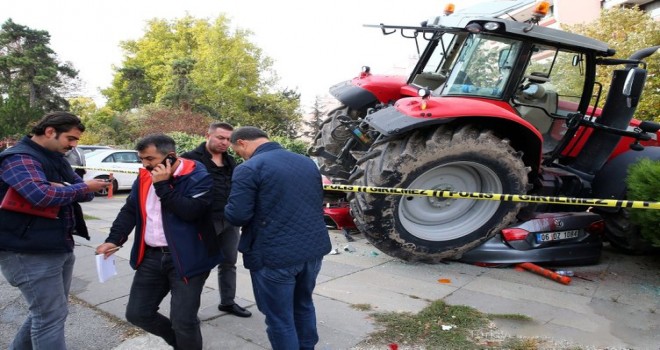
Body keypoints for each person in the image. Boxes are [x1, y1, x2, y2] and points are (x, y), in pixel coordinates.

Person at [95, 133, 222, 350]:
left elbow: (191, 212)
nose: (145, 165)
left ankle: (185, 341)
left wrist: (163, 185)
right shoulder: (145, 176)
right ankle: (181, 343)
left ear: (170, 156)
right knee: (137, 313)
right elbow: (130, 210)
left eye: (150, 159)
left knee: (183, 320)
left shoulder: (198, 175)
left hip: (188, 257)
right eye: (142, 159)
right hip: (152, 257)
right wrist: (113, 239)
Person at [0, 111, 110, 349]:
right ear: (50, 131)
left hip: (57, 245)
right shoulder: (19, 158)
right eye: (70, 139)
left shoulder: (55, 158)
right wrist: (74, 188)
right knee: (49, 316)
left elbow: (86, 192)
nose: (73, 146)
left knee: (48, 313)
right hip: (26, 251)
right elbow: (40, 194)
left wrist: (67, 188)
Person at [224, 126, 331, 350]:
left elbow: (237, 215)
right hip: (311, 250)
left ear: (242, 142)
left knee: (279, 318)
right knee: (303, 305)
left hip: (274, 255)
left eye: (236, 150)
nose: (239, 155)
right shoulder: (306, 162)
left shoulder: (249, 168)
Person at [181, 122, 251, 318]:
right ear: (208, 135)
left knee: (229, 262)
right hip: (203, 221)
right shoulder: (189, 159)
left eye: (229, 139)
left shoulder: (231, 161)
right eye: (221, 138)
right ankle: (188, 311)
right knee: (198, 266)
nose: (225, 143)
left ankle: (228, 302)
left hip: (229, 219)